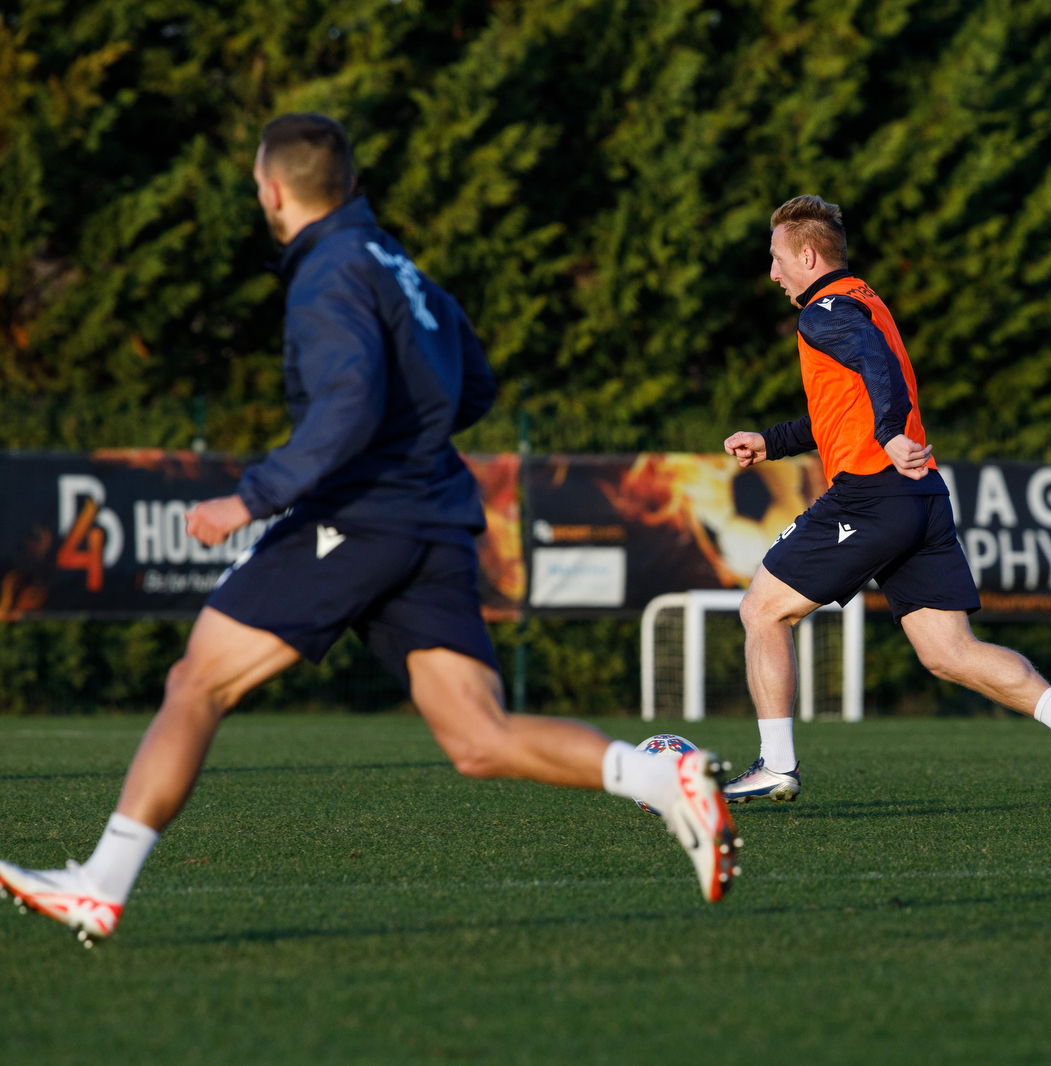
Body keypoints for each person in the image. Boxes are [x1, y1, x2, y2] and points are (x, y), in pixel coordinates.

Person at [0, 114, 739, 946]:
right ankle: (661, 775)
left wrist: (251, 499)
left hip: (359, 517)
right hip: (433, 519)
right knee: (478, 738)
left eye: (256, 189)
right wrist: (413, 435)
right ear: (347, 184)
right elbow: (477, 382)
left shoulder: (328, 275)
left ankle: (100, 885)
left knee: (196, 683)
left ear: (272, 191)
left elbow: (346, 405)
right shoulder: (398, 264)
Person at [720, 195, 1051, 807]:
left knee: (761, 611)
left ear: (807, 255)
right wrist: (772, 442)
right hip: (920, 496)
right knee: (949, 653)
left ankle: (776, 766)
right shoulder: (866, 300)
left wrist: (887, 433)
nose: (772, 273)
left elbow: (875, 366)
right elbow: (840, 407)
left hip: (872, 496)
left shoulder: (824, 311)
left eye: (777, 259)